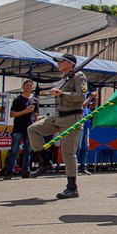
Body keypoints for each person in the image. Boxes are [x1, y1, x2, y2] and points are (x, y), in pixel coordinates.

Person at [28, 54, 87, 199]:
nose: (58, 64)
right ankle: (44, 162)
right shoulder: (65, 77)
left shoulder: (79, 76)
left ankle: (72, 187)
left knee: (67, 153)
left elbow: (81, 97)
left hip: (72, 117)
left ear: (70, 63)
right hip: (59, 115)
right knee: (33, 129)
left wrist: (62, 93)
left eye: (61, 62)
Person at [6, 80, 37, 179]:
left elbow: (36, 115)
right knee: (14, 150)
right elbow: (12, 114)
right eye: (26, 85)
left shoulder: (35, 100)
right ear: (23, 87)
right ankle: (10, 171)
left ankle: (26, 171)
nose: (28, 87)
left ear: (32, 87)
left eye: (30, 85)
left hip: (30, 129)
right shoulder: (17, 100)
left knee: (28, 150)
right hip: (18, 128)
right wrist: (25, 111)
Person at [77, 91, 98, 176]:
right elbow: (82, 106)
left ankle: (82, 167)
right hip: (79, 125)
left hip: (86, 125)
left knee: (85, 147)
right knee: (78, 147)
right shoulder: (78, 96)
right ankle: (74, 167)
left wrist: (95, 99)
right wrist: (91, 98)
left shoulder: (87, 95)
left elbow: (92, 106)